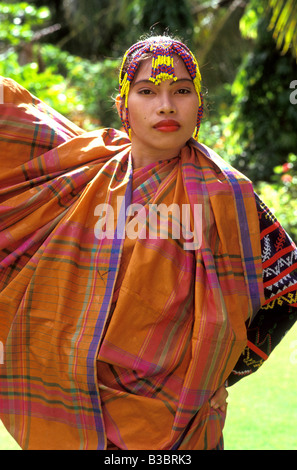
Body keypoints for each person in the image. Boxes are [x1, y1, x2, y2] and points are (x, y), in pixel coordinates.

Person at [0, 34, 296, 451]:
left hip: (177, 423)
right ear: (123, 105)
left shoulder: (227, 196)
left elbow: (287, 286)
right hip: (72, 401)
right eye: (146, 92)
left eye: (181, 91)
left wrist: (220, 375)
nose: (166, 106)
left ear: (199, 104)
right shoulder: (87, 167)